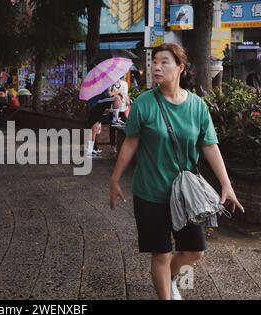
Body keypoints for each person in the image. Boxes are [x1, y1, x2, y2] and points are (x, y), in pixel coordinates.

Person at [110, 43, 244, 300]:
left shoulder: (197, 106)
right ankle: (165, 294)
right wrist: (115, 178)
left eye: (164, 62)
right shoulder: (144, 104)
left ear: (180, 67)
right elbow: (130, 142)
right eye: (154, 62)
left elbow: (209, 145)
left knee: (195, 251)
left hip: (185, 196)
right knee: (160, 253)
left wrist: (226, 183)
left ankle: (169, 279)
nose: (157, 67)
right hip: (150, 192)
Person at [86, 85, 123, 158]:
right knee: (117, 98)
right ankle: (115, 119)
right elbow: (106, 95)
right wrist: (117, 92)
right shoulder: (102, 82)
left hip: (92, 105)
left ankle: (90, 150)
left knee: (94, 129)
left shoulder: (94, 83)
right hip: (97, 104)